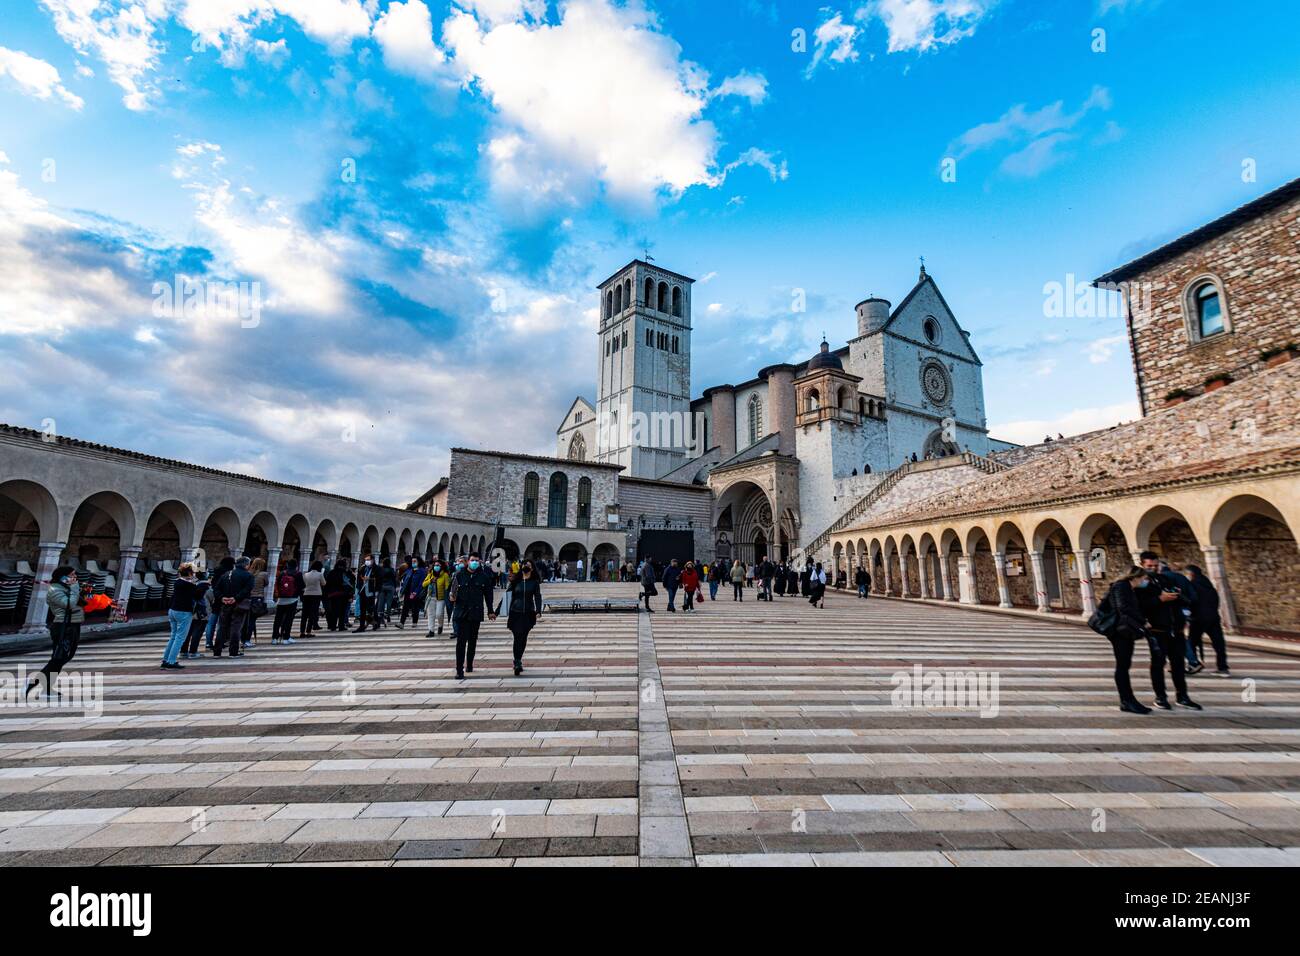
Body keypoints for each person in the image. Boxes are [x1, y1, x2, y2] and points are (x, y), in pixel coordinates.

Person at [1136, 551, 1201, 710]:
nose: (1153, 568)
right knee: (1158, 663)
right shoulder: (1140, 584)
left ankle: (1182, 696)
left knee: (1178, 664)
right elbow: (1139, 605)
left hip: (1175, 628)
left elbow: (1184, 599)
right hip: (1157, 630)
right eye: (1149, 566)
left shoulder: (1165, 579)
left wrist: (1178, 597)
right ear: (1142, 565)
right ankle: (1160, 697)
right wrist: (1160, 599)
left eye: (1155, 565)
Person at [1097, 566, 1154, 714]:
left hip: (1123, 630)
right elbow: (1123, 608)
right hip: (1119, 631)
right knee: (1122, 665)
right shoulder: (1121, 586)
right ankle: (1127, 701)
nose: (1145, 581)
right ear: (1135, 577)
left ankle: (1128, 700)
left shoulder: (1127, 588)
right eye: (1144, 578)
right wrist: (1143, 621)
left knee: (1124, 664)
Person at [27, 565, 89, 698]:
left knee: (65, 657)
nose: (75, 577)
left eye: (75, 574)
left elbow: (81, 603)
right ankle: (34, 683)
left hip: (73, 624)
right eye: (72, 575)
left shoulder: (66, 588)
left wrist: (82, 592)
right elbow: (69, 604)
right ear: (62, 577)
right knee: (59, 657)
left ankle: (46, 688)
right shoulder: (55, 589)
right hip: (63, 627)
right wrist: (74, 588)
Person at [450, 552, 496, 679]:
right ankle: (459, 669)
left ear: (479, 562)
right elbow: (452, 591)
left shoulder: (484, 577)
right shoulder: (459, 575)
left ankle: (469, 663)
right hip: (462, 612)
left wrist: (490, 611)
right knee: (460, 642)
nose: (474, 562)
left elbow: (488, 595)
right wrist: (451, 598)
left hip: (475, 613)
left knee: (472, 641)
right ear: (468, 561)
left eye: (476, 560)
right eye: (472, 560)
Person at [1185, 564, 1229, 676]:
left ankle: (1193, 664)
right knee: (1218, 643)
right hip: (1213, 617)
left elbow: (1191, 601)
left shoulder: (1192, 585)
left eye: (1187, 574)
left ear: (1191, 574)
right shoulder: (1209, 585)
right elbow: (1216, 601)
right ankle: (1223, 667)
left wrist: (1189, 615)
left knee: (1191, 642)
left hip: (1198, 618)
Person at [506, 560, 543, 676]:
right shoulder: (515, 581)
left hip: (528, 613)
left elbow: (537, 596)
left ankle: (518, 659)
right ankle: (517, 661)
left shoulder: (534, 583)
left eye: (528, 566)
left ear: (532, 568)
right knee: (517, 637)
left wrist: (538, 610)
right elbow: (507, 596)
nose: (525, 567)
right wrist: (496, 612)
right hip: (515, 612)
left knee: (523, 637)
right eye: (524, 565)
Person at [214, 556, 254, 658]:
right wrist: (235, 598)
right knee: (236, 627)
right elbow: (247, 589)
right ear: (246, 565)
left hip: (225, 603)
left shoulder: (226, 574)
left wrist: (222, 598)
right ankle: (233, 652)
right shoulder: (248, 575)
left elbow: (216, 589)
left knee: (222, 627)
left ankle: (217, 652)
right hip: (239, 604)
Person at [162, 562, 201, 669]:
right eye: (193, 572)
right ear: (190, 573)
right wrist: (197, 583)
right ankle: (171, 661)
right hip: (184, 612)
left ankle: (165, 660)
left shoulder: (177, 582)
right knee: (180, 637)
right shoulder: (189, 585)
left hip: (173, 610)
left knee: (173, 636)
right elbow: (198, 595)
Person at [271, 559, 305, 645]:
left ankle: (274, 638)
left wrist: (279, 594)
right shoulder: (298, 574)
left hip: (281, 599)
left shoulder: (282, 573)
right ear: (296, 566)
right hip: (292, 599)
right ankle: (286, 638)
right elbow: (302, 586)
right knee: (289, 619)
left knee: (278, 619)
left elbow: (277, 584)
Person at [353, 554, 381, 633]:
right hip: (363, 591)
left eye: (368, 560)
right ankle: (361, 626)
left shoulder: (377, 569)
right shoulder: (363, 568)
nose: (367, 561)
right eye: (366, 560)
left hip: (371, 592)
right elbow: (359, 579)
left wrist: (370, 579)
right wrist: (358, 588)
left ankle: (376, 622)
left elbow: (380, 579)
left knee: (371, 609)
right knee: (362, 609)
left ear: (372, 560)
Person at [323, 558, 353, 632]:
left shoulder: (332, 572)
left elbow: (327, 584)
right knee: (342, 611)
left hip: (333, 595)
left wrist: (327, 594)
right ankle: (341, 626)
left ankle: (333, 626)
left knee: (334, 611)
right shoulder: (345, 573)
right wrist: (350, 595)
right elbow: (349, 585)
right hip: (343, 594)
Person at [244, 556, 269, 648]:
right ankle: (247, 640)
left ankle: (243, 638)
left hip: (247, 598)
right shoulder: (264, 574)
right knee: (252, 620)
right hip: (257, 598)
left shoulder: (247, 573)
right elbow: (266, 583)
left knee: (245, 619)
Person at [424, 559, 452, 637]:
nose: (436, 567)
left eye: (438, 565)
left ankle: (440, 625)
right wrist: (430, 580)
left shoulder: (445, 575)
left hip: (441, 598)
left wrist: (448, 595)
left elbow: (447, 587)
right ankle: (431, 630)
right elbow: (423, 584)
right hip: (431, 597)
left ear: (442, 567)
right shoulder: (430, 574)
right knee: (431, 614)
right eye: (435, 565)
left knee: (439, 614)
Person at [398, 559, 426, 629]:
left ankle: (414, 622)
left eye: (415, 561)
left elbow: (421, 583)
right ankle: (401, 623)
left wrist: (415, 592)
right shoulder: (410, 570)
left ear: (418, 562)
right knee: (405, 607)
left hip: (415, 592)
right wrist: (402, 591)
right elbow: (405, 581)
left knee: (415, 607)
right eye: (412, 561)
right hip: (408, 591)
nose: (413, 562)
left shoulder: (422, 571)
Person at [300, 560, 325, 638]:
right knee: (312, 613)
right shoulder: (320, 574)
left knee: (304, 614)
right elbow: (324, 583)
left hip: (306, 594)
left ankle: (302, 632)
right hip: (316, 595)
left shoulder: (306, 574)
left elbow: (304, 583)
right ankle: (308, 631)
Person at [378, 557, 398, 626]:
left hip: (382, 586)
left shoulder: (381, 570)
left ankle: (381, 616)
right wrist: (395, 587)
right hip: (390, 586)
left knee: (381, 602)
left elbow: (379, 578)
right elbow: (394, 579)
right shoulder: (391, 570)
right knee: (389, 602)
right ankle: (388, 616)